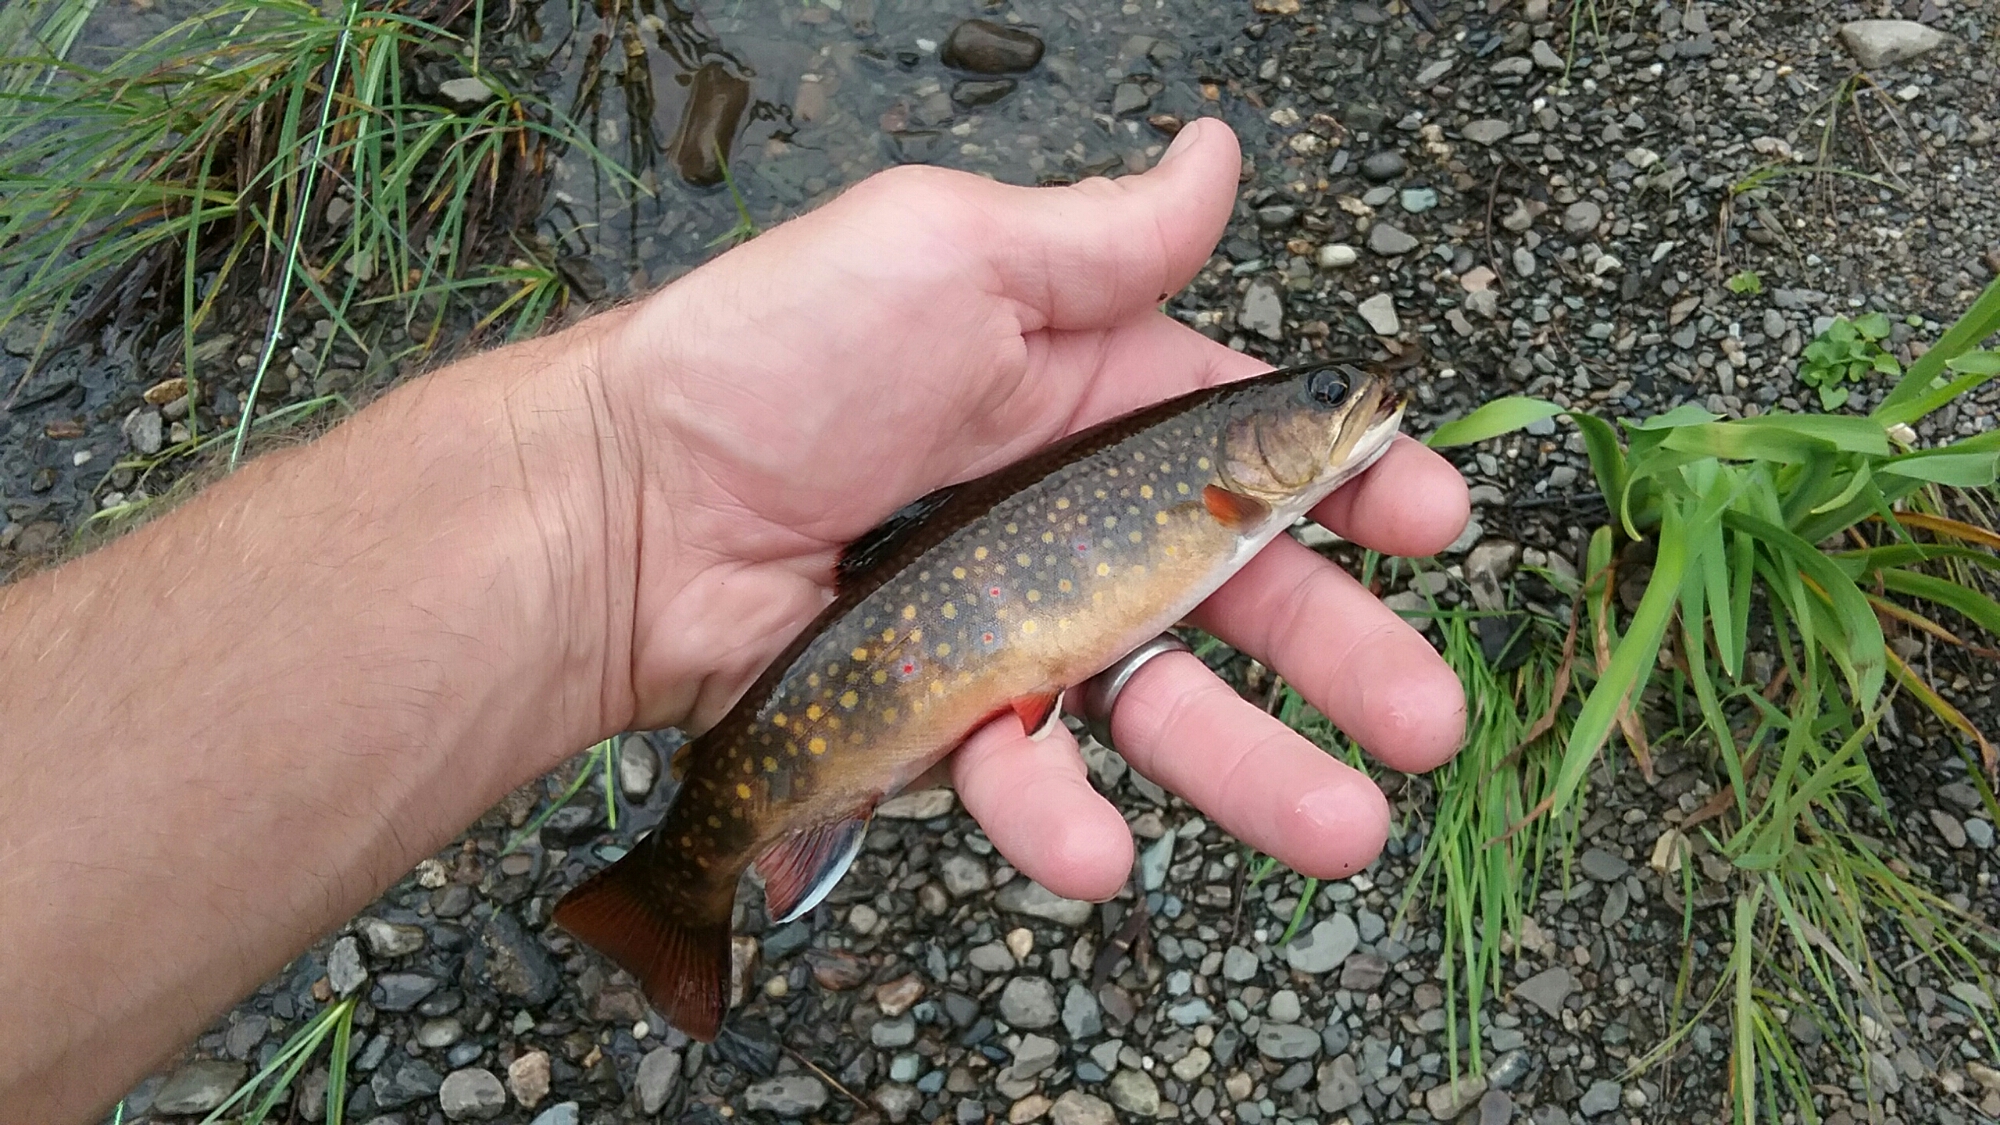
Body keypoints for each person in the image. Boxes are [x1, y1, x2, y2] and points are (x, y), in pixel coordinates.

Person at [0, 117, 1468, 1123]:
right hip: (888, 665)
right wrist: (619, 480)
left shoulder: (1221, 485)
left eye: (1331, 408)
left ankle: (682, 881)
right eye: (1325, 410)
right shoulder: (1208, 479)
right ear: (1245, 449)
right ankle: (678, 883)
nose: (1351, 421)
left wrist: (604, 498)